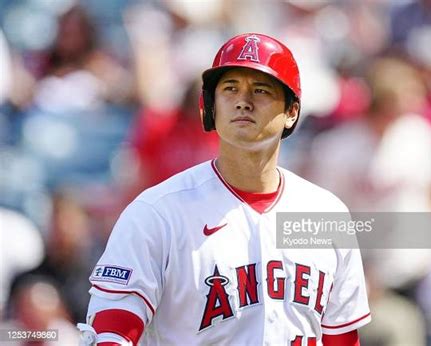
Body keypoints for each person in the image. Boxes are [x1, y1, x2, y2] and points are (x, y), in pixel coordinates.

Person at [78, 33, 371, 345]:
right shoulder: (157, 212)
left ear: (291, 112)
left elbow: (341, 337)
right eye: (230, 89)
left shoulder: (326, 213)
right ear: (210, 106)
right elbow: (112, 331)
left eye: (261, 90)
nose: (243, 101)